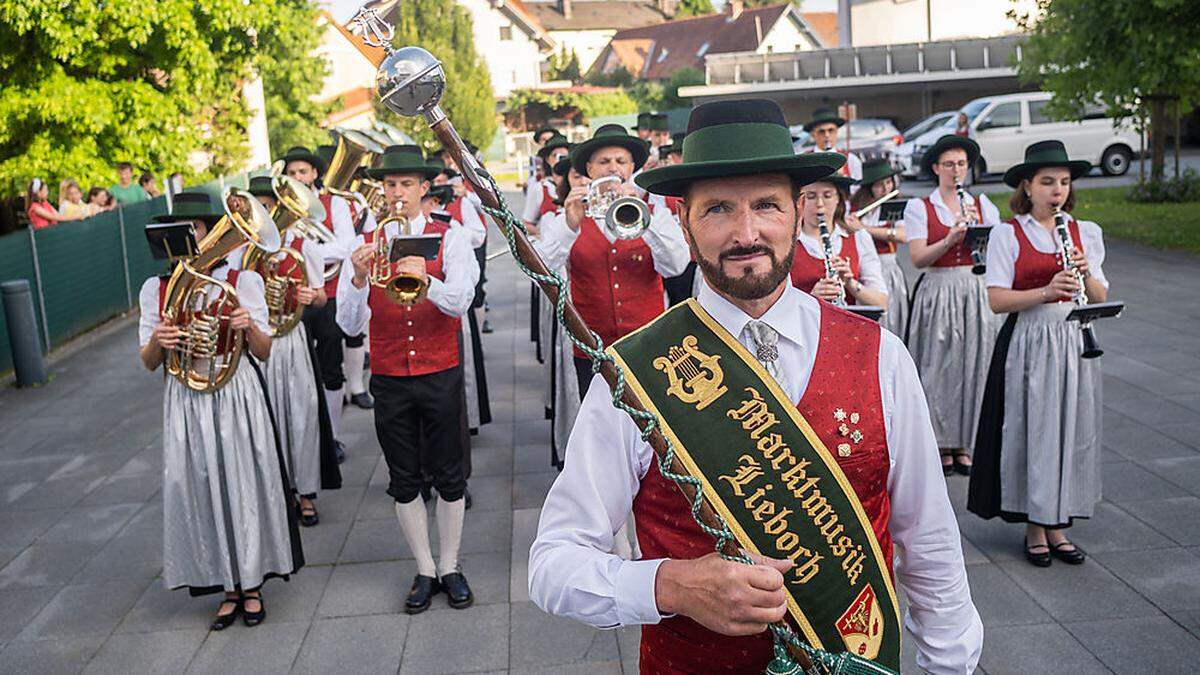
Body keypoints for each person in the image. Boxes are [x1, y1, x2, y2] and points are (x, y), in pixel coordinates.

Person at [528, 99, 981, 674]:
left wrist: (951, 664)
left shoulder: (880, 356)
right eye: (717, 209)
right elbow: (552, 565)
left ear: (798, 212)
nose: (746, 233)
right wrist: (670, 585)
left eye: (766, 205)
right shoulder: (635, 373)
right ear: (684, 223)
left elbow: (929, 539)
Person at [138, 190, 302, 630]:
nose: (190, 237)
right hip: (186, 397)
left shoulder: (242, 280)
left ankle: (251, 582)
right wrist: (161, 341)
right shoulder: (156, 288)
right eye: (182, 231)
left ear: (212, 231)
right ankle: (226, 584)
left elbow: (265, 352)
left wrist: (249, 329)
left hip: (234, 391)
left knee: (243, 481)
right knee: (200, 484)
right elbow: (149, 361)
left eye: (196, 229)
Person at [336, 145, 480, 614]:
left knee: (450, 474)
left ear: (424, 188)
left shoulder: (450, 236)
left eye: (406, 184)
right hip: (391, 376)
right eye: (390, 185)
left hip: (440, 369)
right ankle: (425, 569)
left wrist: (426, 280)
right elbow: (349, 325)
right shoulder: (365, 243)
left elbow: (462, 300)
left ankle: (452, 564)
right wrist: (358, 280)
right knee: (404, 478)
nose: (397, 193)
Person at [968, 140, 1108, 568]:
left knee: (1072, 429)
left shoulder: (1086, 232)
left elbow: (1101, 293)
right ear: (1027, 187)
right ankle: (1035, 526)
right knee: (1034, 430)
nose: (1057, 191)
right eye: (1047, 182)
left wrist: (1084, 272)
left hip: (1072, 339)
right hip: (1030, 338)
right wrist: (1047, 290)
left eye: (1064, 183)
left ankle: (1058, 523)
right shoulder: (1009, 233)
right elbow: (996, 300)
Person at [534, 124, 690, 398]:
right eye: (604, 162)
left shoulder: (654, 213)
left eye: (621, 161)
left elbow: (676, 265)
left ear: (631, 169)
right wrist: (569, 225)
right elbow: (541, 272)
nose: (613, 168)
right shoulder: (569, 217)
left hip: (649, 347)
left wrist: (644, 217)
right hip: (592, 350)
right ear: (590, 170)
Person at [903, 134, 1001, 476]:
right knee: (940, 363)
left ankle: (964, 441)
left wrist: (981, 234)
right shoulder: (920, 207)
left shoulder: (983, 205)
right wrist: (949, 239)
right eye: (949, 164)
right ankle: (941, 442)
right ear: (936, 168)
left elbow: (998, 255)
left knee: (974, 360)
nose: (956, 170)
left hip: (973, 286)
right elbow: (917, 258)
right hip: (939, 287)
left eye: (961, 164)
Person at [240, 175, 329, 527]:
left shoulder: (303, 245)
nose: (265, 211)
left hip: (291, 340)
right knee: (268, 420)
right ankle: (280, 493)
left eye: (269, 205)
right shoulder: (242, 251)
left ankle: (306, 492)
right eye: (259, 206)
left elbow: (321, 294)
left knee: (301, 416)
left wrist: (313, 297)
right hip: (259, 342)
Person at [281, 146, 358, 457]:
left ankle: (333, 438)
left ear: (314, 174)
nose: (298, 177)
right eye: (292, 173)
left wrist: (307, 252)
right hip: (291, 299)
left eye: (303, 171)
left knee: (330, 367)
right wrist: (310, 251)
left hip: (328, 295)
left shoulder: (334, 203)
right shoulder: (281, 208)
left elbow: (347, 245)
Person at [791, 175, 889, 308]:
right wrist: (811, 297)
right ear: (800, 201)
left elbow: (882, 303)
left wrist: (851, 284)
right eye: (811, 196)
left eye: (827, 196)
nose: (820, 204)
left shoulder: (859, 238)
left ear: (838, 199)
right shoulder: (788, 242)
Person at [850, 159, 909, 335]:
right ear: (868, 187)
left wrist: (864, 229)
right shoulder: (853, 208)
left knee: (891, 319)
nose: (886, 189)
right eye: (879, 185)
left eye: (889, 183)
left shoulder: (895, 207)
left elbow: (903, 235)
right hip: (863, 270)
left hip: (888, 268)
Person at [521, 134, 571, 234]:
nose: (558, 159)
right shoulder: (540, 187)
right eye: (554, 155)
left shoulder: (580, 183)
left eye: (563, 156)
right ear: (548, 159)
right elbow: (527, 223)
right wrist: (544, 237)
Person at [802, 107, 862, 181]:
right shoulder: (805, 160)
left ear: (836, 132)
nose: (827, 135)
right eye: (821, 131)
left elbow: (857, 187)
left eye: (831, 130)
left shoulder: (851, 160)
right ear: (813, 135)